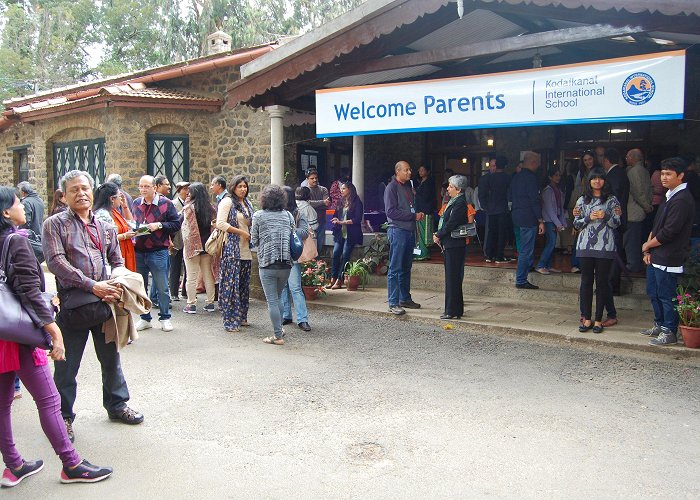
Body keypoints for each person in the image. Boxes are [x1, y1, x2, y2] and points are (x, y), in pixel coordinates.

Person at [0, 186, 113, 487]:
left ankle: (14, 465)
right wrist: (53, 330)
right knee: (49, 401)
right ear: (6, 213)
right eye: (17, 202)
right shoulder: (16, 242)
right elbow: (28, 291)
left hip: (2, 334)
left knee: (2, 404)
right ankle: (71, 464)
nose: (23, 206)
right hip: (19, 336)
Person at [42, 170, 144, 444]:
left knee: (111, 358)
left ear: (92, 190)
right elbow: (56, 263)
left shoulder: (103, 225)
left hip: (105, 304)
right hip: (73, 306)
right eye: (74, 189)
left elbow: (115, 258)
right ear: (64, 195)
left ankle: (117, 404)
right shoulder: (55, 224)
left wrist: (118, 280)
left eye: (85, 188)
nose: (81, 193)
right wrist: (92, 285)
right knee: (67, 365)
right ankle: (63, 416)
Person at [641, 157, 696, 346]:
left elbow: (669, 232)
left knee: (666, 295)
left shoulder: (682, 199)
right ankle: (659, 323)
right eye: (662, 173)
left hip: (669, 256)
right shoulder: (669, 195)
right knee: (654, 293)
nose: (663, 177)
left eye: (668, 174)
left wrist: (648, 245)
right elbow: (656, 226)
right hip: (656, 254)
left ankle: (669, 331)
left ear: (680, 176)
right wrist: (648, 248)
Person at [573, 168, 621, 334]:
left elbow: (617, 223)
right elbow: (576, 224)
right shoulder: (582, 200)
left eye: (600, 178)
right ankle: (586, 318)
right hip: (585, 245)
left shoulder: (612, 200)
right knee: (586, 281)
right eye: (594, 179)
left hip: (605, 246)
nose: (597, 181)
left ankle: (599, 319)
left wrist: (606, 215)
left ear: (605, 181)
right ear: (589, 181)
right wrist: (589, 217)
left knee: (601, 283)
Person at [131, 175, 181, 332]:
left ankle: (165, 317)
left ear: (154, 187)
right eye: (141, 186)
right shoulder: (136, 203)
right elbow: (134, 222)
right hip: (139, 250)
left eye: (146, 186)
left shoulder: (165, 203)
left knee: (162, 287)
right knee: (141, 287)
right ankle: (145, 318)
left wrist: (158, 225)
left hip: (158, 250)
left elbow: (175, 224)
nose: (143, 189)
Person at [250, 184, 297, 345]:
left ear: (264, 199)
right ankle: (280, 329)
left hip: (267, 263)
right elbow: (293, 235)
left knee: (272, 300)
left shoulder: (258, 216)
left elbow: (254, 240)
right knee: (277, 298)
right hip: (286, 264)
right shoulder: (288, 215)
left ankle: (277, 336)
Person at [384, 160, 423, 315]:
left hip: (409, 231)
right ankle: (393, 302)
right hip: (397, 230)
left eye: (410, 170)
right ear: (397, 171)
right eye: (406, 170)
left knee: (406, 267)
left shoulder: (408, 187)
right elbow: (391, 212)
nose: (409, 172)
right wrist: (413, 216)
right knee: (395, 268)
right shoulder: (391, 188)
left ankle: (404, 298)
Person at [217, 175, 254, 332]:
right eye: (240, 186)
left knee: (244, 285)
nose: (243, 189)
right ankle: (230, 320)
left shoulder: (247, 203)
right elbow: (220, 223)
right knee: (231, 286)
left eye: (245, 186)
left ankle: (241, 316)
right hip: (232, 249)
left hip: (246, 250)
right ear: (233, 187)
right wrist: (240, 232)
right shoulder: (227, 202)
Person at [433, 175, 471, 319]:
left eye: (450, 186)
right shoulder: (454, 201)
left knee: (453, 277)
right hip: (451, 244)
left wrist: (439, 234)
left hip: (454, 244)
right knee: (452, 277)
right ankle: (454, 309)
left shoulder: (460, 203)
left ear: (458, 189)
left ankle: (451, 310)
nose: (447, 189)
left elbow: (451, 224)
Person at [600, 148, 629, 326]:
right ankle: (612, 285)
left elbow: (615, 197)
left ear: (606, 160)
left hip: (614, 221)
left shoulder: (616, 174)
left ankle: (613, 286)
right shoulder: (619, 173)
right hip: (615, 220)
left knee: (614, 252)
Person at [180, 182, 216, 314]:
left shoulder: (189, 208)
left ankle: (191, 304)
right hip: (207, 246)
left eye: (190, 191)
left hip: (193, 246)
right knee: (208, 275)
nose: (188, 193)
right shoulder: (211, 209)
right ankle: (210, 303)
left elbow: (185, 228)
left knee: (191, 276)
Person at [280, 186, 312, 332]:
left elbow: (305, 232)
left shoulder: (298, 213)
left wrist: (290, 229)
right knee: (282, 287)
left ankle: (302, 319)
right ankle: (286, 315)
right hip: (279, 254)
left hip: (293, 255)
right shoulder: (276, 212)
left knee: (295, 287)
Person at [511, 151, 544, 290]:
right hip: (528, 216)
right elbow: (534, 199)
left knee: (522, 247)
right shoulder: (531, 178)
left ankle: (522, 276)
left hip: (516, 215)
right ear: (533, 163)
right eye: (537, 163)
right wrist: (540, 219)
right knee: (526, 250)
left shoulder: (516, 177)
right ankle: (521, 279)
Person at [93, 182, 137, 272]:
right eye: (119, 196)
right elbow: (104, 239)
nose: (121, 198)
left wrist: (125, 206)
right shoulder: (103, 215)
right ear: (112, 199)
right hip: (112, 257)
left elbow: (131, 224)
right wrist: (125, 236)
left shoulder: (113, 212)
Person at [328, 182, 364, 289]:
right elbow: (335, 215)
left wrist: (342, 222)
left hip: (351, 233)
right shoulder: (340, 201)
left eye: (343, 188)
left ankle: (339, 280)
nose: (341, 190)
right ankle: (333, 278)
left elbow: (357, 219)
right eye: (341, 189)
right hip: (340, 233)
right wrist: (335, 220)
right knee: (335, 254)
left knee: (345, 255)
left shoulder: (357, 202)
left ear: (350, 189)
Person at [569, 151, 599, 273]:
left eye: (590, 159)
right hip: (582, 205)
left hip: (596, 206)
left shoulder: (598, 171)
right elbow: (577, 190)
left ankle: (592, 265)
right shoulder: (581, 173)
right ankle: (576, 263)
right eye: (585, 160)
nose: (588, 162)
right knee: (579, 235)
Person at [624, 148, 653, 273]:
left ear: (633, 158)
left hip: (633, 211)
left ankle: (632, 265)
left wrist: (646, 206)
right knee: (636, 238)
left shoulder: (634, 171)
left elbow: (637, 191)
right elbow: (649, 190)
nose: (626, 159)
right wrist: (648, 205)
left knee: (631, 240)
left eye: (627, 157)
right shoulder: (645, 171)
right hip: (641, 211)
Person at [478, 155, 510, 264]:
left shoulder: (491, 178)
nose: (493, 168)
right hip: (497, 208)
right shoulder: (504, 178)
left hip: (495, 208)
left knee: (495, 232)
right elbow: (482, 195)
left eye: (494, 165)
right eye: (491, 166)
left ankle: (493, 254)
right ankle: (494, 254)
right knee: (496, 232)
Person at [536, 167, 567, 274]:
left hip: (555, 218)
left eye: (559, 175)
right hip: (549, 220)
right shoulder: (547, 191)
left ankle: (547, 265)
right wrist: (558, 223)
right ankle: (541, 264)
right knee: (551, 242)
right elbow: (549, 209)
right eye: (556, 175)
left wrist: (562, 222)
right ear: (550, 177)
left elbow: (560, 208)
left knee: (551, 243)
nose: (558, 177)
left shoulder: (558, 190)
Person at [169, 182, 190, 301]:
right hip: (177, 239)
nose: (187, 192)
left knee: (188, 267)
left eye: (188, 189)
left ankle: (185, 292)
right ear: (179, 190)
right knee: (175, 266)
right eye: (185, 189)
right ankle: (174, 292)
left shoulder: (191, 203)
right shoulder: (173, 204)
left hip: (188, 239)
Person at [414, 165, 436, 260]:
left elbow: (426, 197)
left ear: (428, 171)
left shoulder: (429, 182)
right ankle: (419, 252)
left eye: (423, 170)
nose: (420, 172)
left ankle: (423, 253)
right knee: (419, 233)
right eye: (419, 170)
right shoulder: (421, 182)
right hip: (419, 210)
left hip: (425, 211)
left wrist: (415, 193)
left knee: (423, 233)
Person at [305, 169, 331, 246]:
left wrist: (314, 204)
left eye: (316, 178)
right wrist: (322, 202)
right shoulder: (305, 190)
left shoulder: (323, 189)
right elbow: (307, 204)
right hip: (309, 222)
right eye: (312, 178)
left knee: (320, 245)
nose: (315, 180)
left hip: (321, 220)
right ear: (307, 179)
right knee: (310, 245)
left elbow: (327, 204)